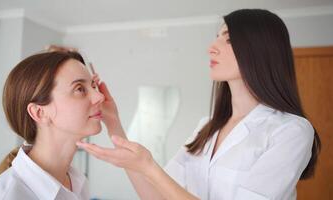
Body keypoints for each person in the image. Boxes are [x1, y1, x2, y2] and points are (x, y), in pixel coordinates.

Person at [77, 9, 321, 200]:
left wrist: (149, 167)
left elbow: (155, 176)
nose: (211, 48)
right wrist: (114, 125)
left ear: (260, 50)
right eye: (216, 38)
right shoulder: (206, 128)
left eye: (227, 40)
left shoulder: (291, 131)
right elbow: (157, 197)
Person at [0, 50, 105, 199]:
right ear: (39, 113)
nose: (100, 96)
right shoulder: (10, 196)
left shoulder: (77, 182)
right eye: (79, 89)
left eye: (93, 86)